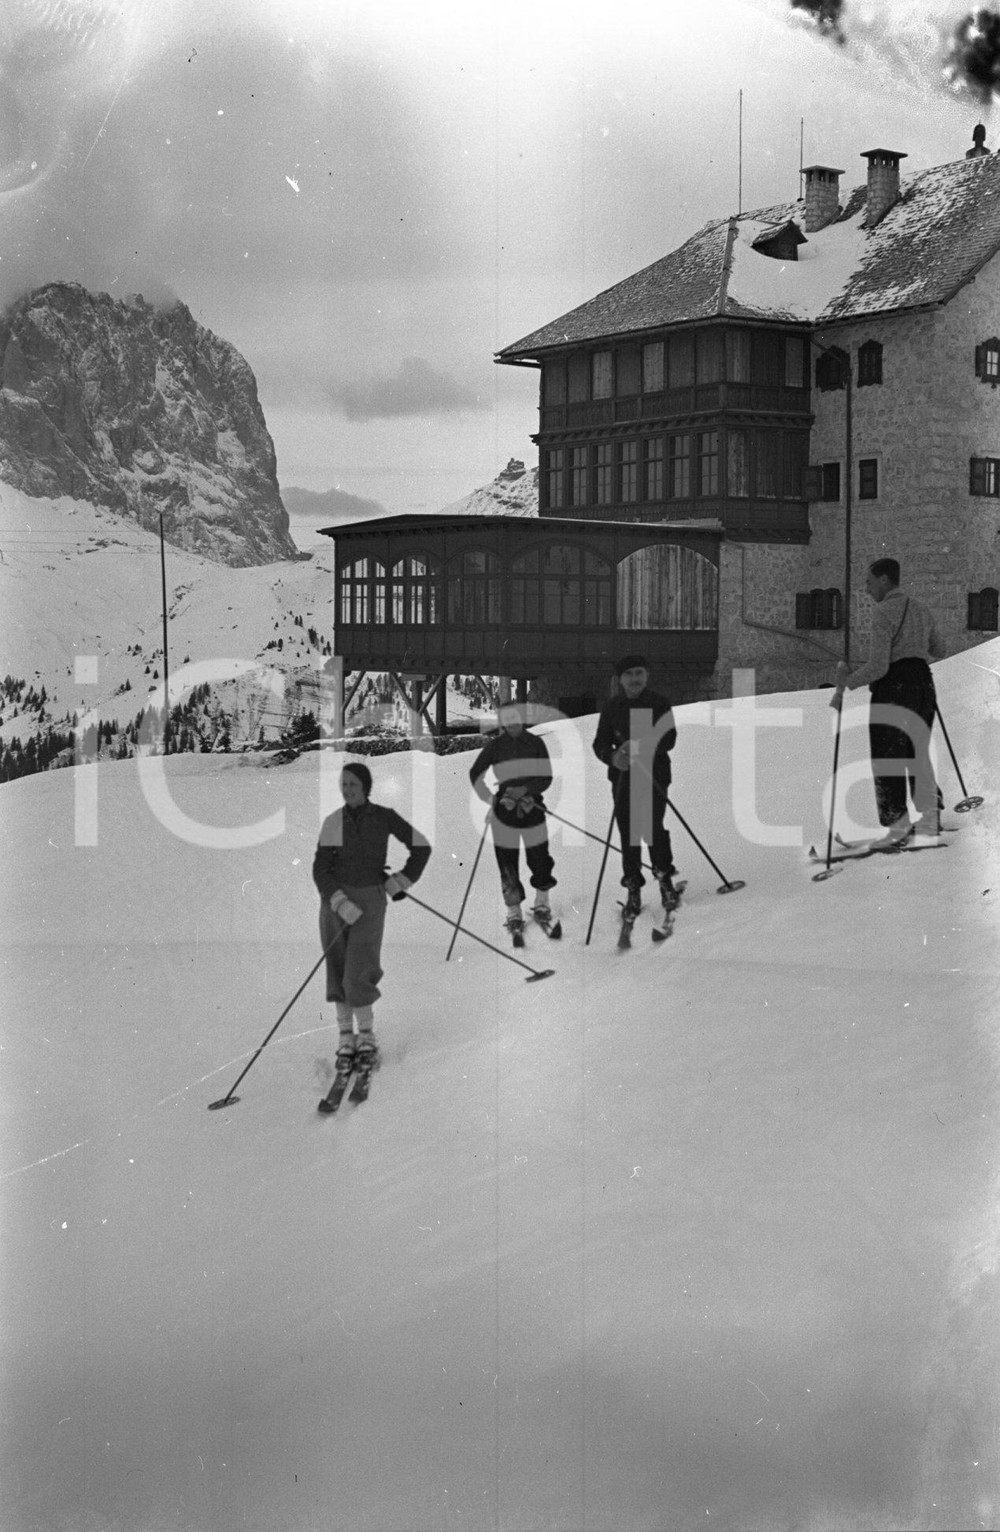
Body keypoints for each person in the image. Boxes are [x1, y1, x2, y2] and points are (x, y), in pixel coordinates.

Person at [312, 761, 431, 1071]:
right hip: (335, 904)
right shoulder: (334, 821)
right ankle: (345, 1037)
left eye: (353, 784)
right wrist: (338, 900)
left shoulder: (384, 817)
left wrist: (402, 880)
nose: (347, 789)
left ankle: (366, 1035)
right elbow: (321, 868)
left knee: (359, 969)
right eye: (344, 784)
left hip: (370, 902)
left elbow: (421, 847)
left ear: (366, 786)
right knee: (338, 969)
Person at [830, 557, 946, 845]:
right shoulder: (921, 609)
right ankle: (930, 818)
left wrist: (848, 681)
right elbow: (940, 649)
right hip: (923, 685)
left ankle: (898, 826)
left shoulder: (883, 612)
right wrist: (914, 648)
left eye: (869, 582)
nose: (866, 589)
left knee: (887, 755)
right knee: (917, 750)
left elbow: (879, 666)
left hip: (894, 688)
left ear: (884, 580)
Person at [592, 654, 678, 916]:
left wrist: (640, 746)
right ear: (620, 679)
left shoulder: (658, 703)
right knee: (628, 832)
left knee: (652, 828)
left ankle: (664, 880)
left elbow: (669, 738)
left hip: (654, 775)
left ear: (647, 675)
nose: (634, 679)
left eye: (639, 673)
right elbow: (600, 743)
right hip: (623, 778)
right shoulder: (612, 707)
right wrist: (613, 757)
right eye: (629, 674)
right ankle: (633, 888)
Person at [469, 700, 557, 932]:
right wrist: (490, 798)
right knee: (506, 861)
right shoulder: (496, 746)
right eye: (507, 719)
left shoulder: (536, 743)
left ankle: (542, 903)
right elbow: (475, 772)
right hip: (504, 810)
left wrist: (526, 789)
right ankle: (513, 911)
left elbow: (546, 777)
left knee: (539, 856)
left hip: (532, 807)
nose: (512, 723)